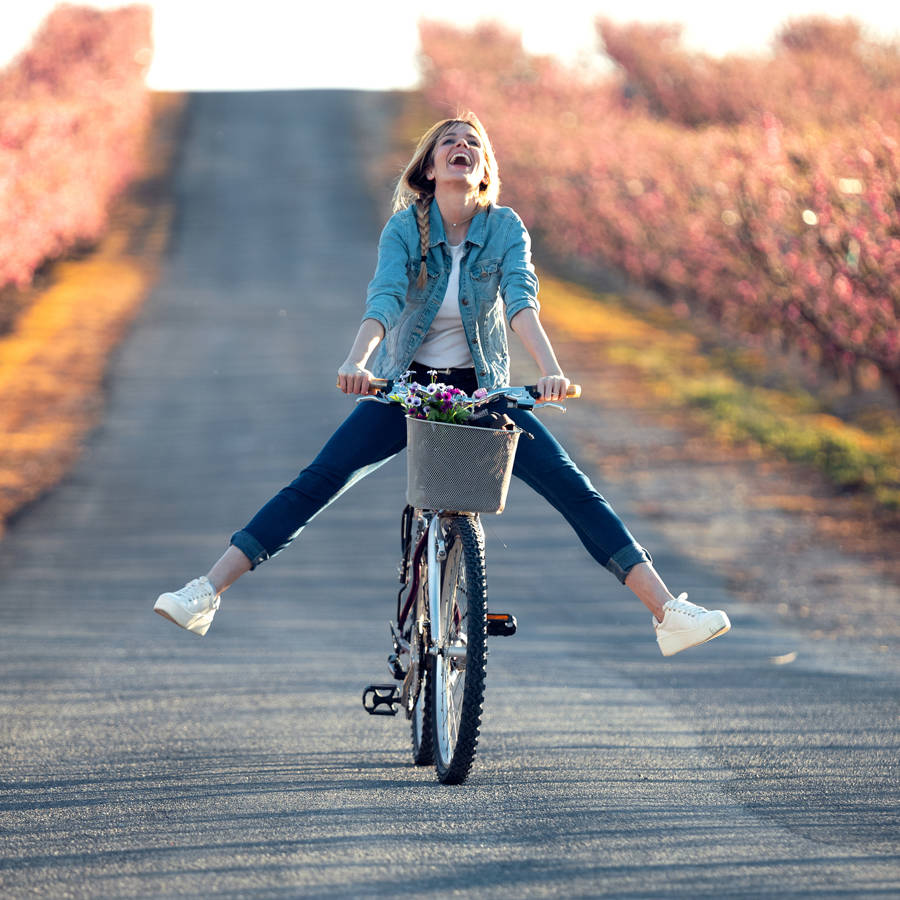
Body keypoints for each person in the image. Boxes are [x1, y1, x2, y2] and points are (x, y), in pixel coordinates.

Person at [154, 112, 731, 657]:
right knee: (319, 480)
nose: (463, 147)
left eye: (473, 143)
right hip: (408, 388)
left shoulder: (505, 226)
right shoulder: (405, 228)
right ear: (430, 166)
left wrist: (550, 371)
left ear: (484, 168)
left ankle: (667, 614)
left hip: (482, 392)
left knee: (574, 489)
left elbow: (521, 300)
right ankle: (206, 592)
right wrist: (358, 362)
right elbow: (383, 298)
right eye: (450, 141)